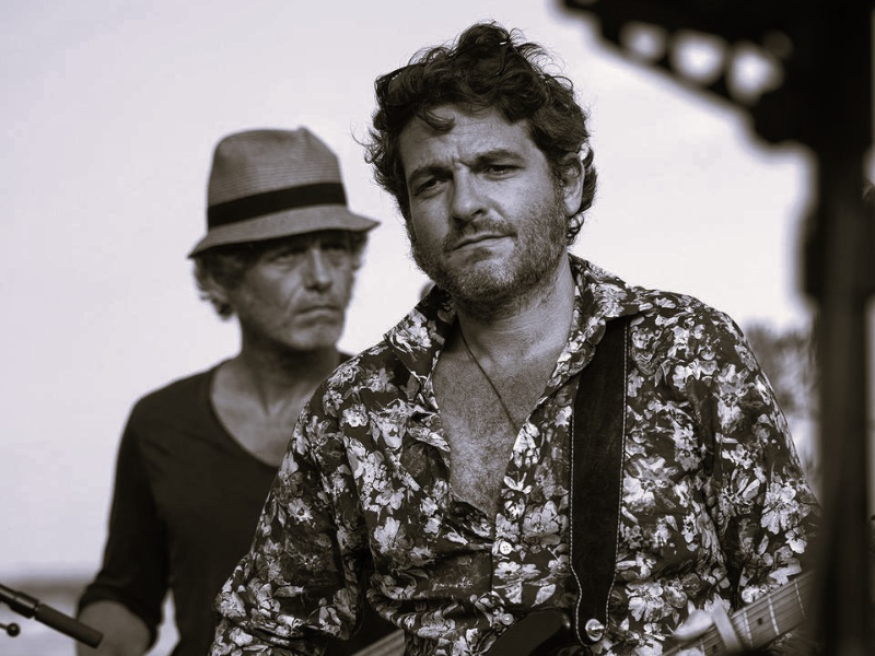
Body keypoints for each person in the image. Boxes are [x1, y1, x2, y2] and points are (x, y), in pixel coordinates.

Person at [209, 24, 820, 656]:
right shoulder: (354, 408)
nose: (465, 204)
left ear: (568, 182)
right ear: (408, 216)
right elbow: (258, 633)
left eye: (495, 168)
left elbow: (800, 596)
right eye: (432, 182)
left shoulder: (688, 350)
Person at [76, 128, 396, 656]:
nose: (321, 278)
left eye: (335, 249)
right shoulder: (161, 423)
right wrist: (102, 642)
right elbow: (127, 592)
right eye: (287, 255)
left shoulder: (402, 404)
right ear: (222, 278)